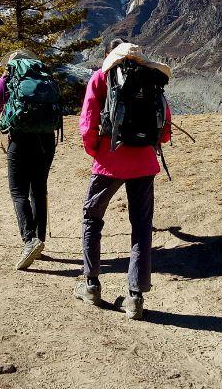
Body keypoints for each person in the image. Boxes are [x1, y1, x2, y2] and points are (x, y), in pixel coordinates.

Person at [74, 39, 171, 320]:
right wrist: (152, 145)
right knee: (141, 227)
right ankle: (135, 297)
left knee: (92, 218)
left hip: (109, 161)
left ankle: (91, 284)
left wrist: (97, 151)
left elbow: (88, 121)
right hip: (144, 162)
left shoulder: (101, 77)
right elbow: (163, 122)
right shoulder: (152, 79)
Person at [0, 50, 57, 271]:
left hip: (21, 139)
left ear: (11, 64)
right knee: (39, 189)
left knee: (18, 191)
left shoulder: (7, 79)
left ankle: (29, 240)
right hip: (47, 139)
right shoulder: (45, 77)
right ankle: (40, 240)